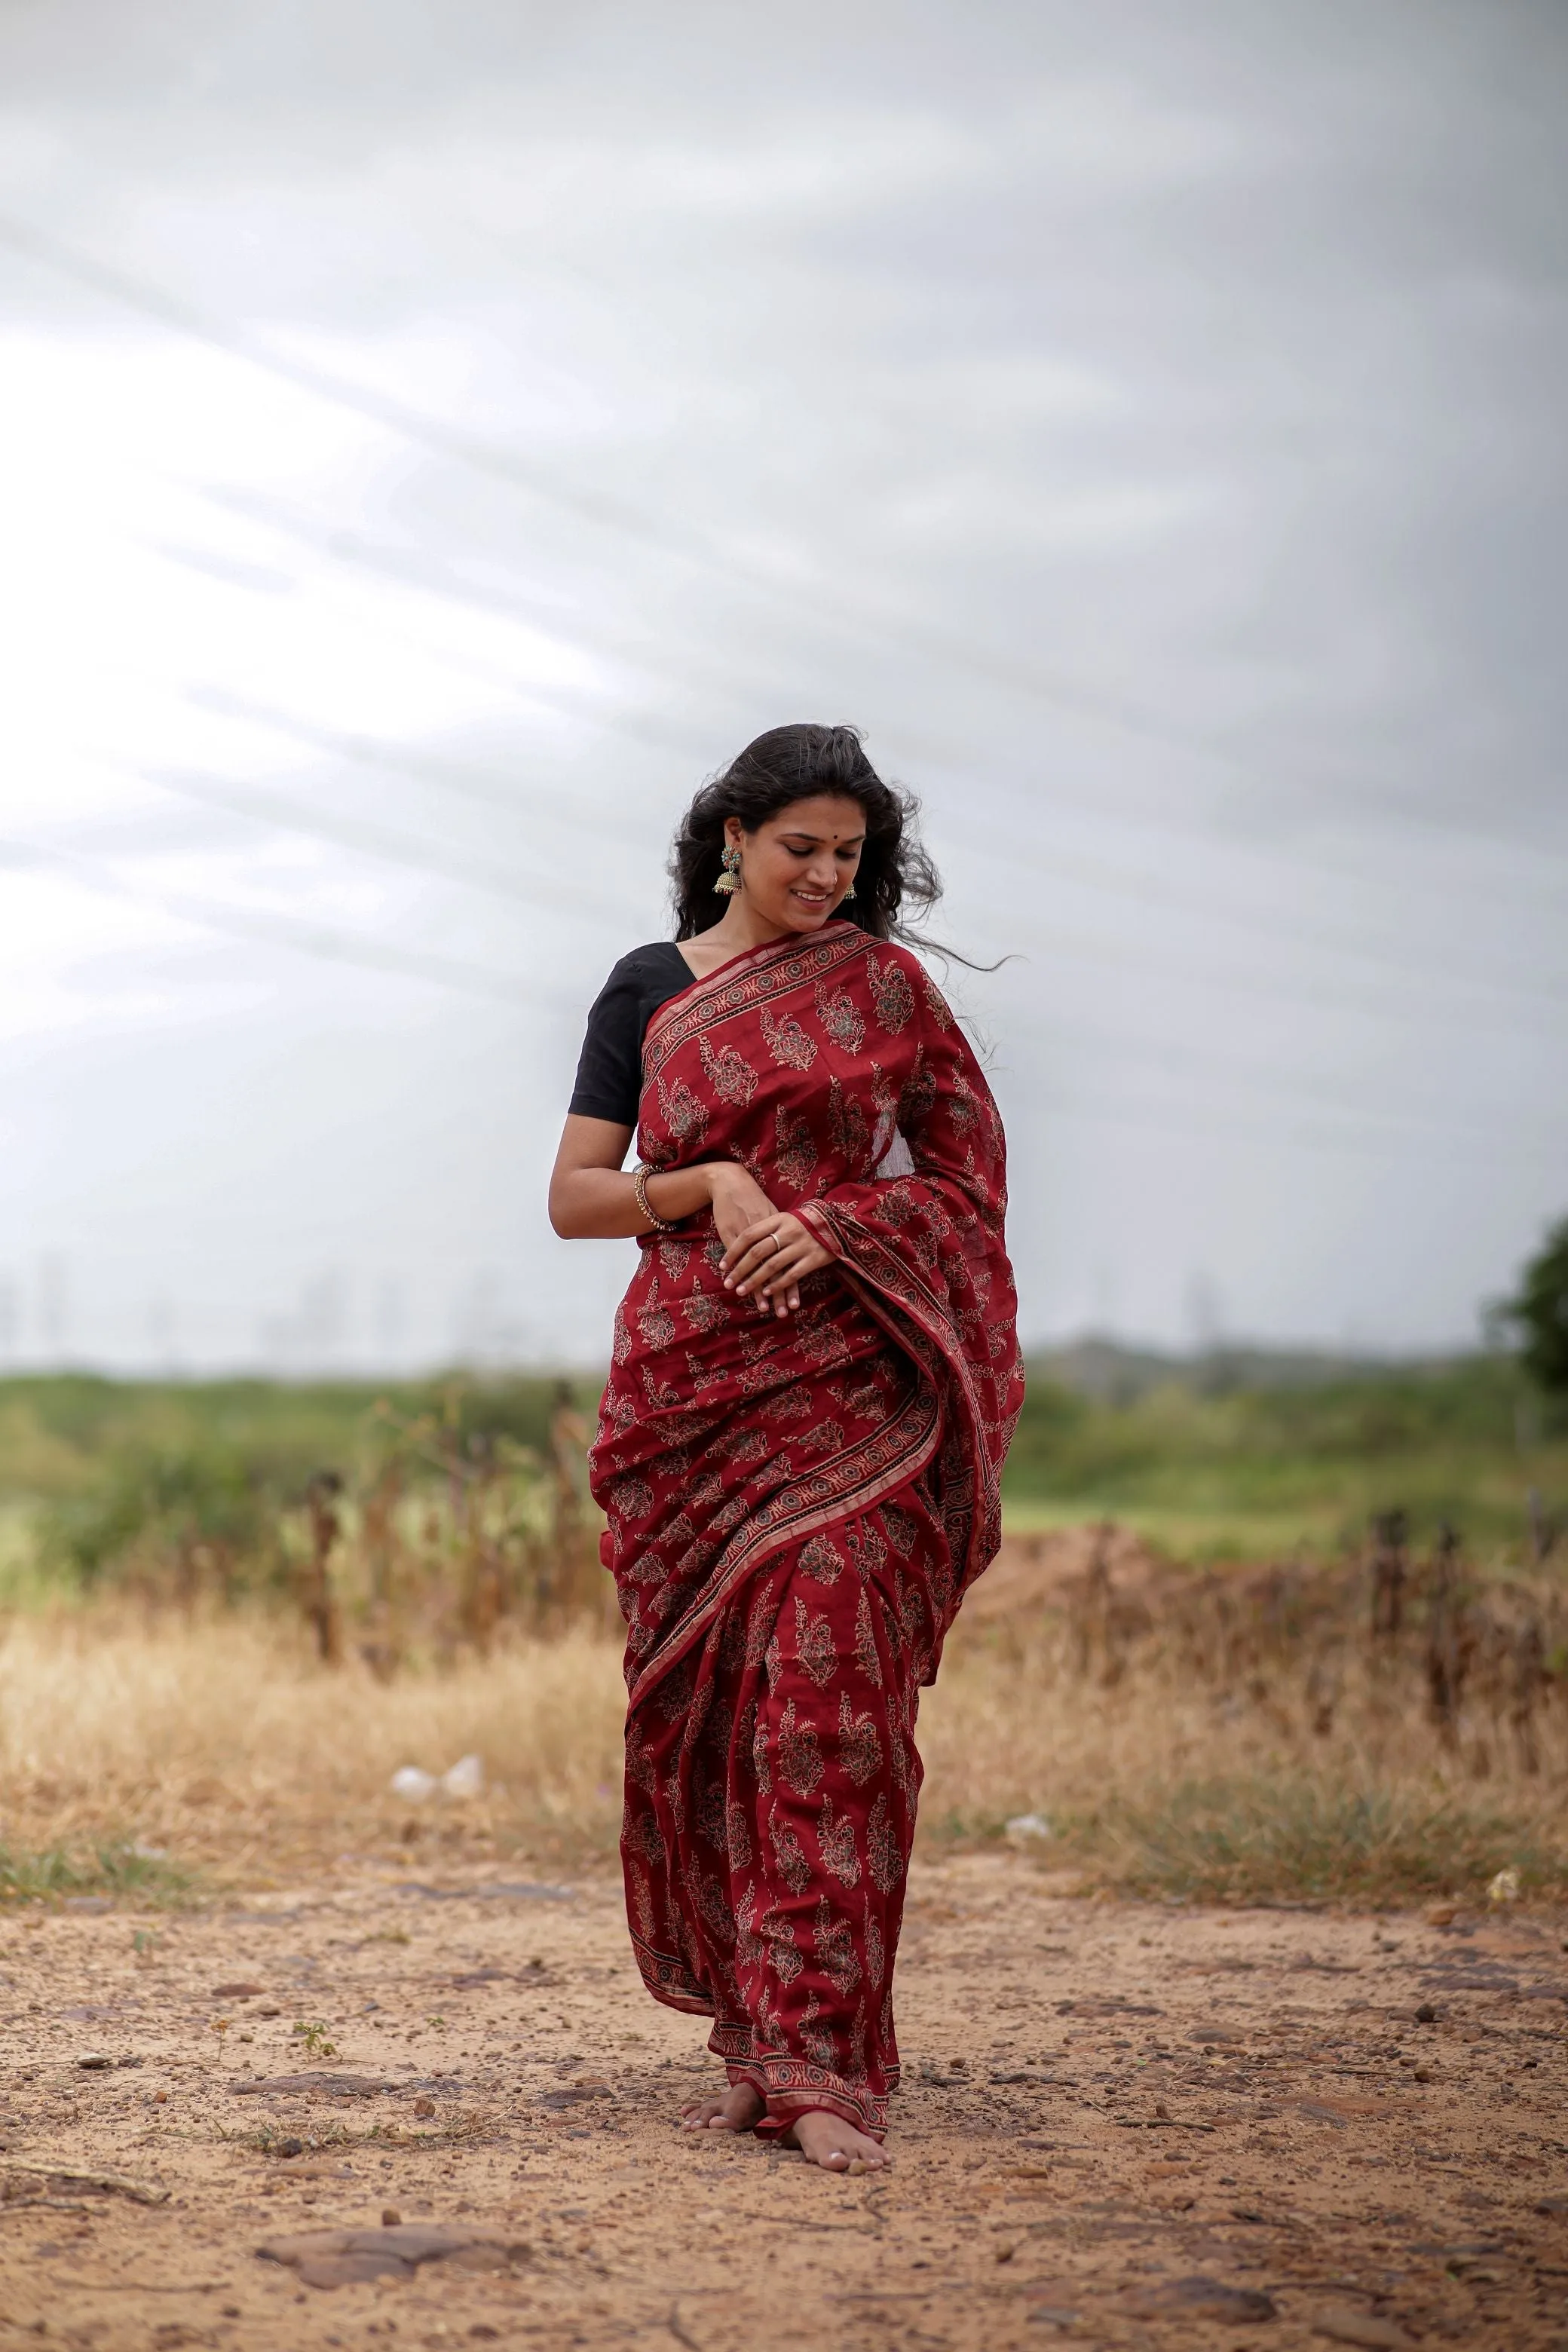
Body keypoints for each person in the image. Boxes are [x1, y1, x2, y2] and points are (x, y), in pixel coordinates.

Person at [548, 723, 1023, 2172]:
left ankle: (824, 2061)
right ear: (734, 840)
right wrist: (707, 1183)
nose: (826, 877)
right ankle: (756, 2044)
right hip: (692, 1403)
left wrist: (835, 1223)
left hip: (855, 1401)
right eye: (801, 848)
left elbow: (966, 1188)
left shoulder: (890, 993)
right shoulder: (646, 988)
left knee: (833, 1716)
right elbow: (574, 1197)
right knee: (715, 1725)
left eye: (851, 856)